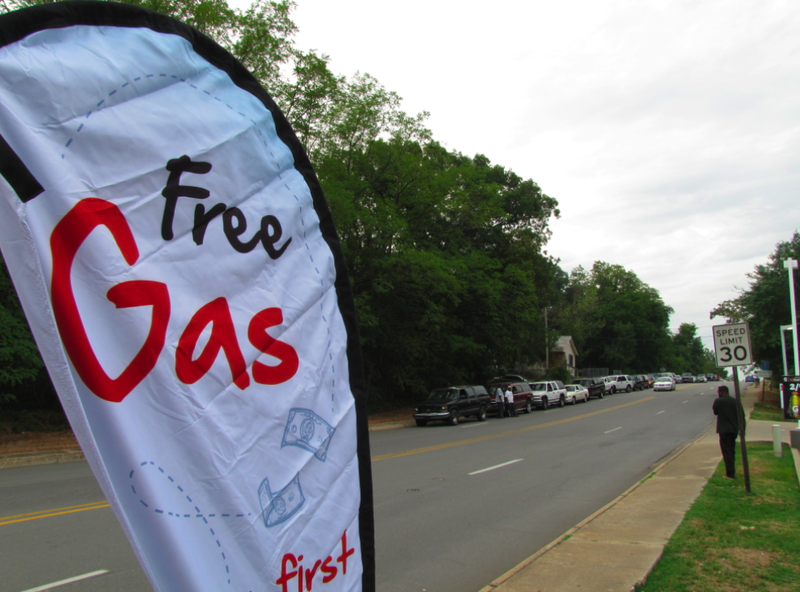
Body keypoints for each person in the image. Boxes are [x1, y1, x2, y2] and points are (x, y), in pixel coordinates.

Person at [712, 384, 744, 479]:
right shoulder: (735, 401)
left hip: (724, 430)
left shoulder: (718, 401)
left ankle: (730, 474)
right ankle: (731, 470)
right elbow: (742, 416)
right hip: (734, 429)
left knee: (726, 451)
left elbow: (715, 412)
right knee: (731, 450)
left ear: (721, 392)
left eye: (719, 393)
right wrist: (742, 429)